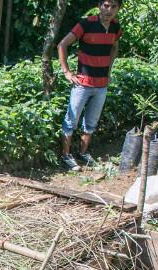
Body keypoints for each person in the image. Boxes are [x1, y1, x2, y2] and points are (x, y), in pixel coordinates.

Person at [57, 0, 123, 171]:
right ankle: (66, 156)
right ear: (100, 6)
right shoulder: (85, 23)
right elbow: (62, 45)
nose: (109, 10)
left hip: (101, 85)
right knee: (71, 121)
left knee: (91, 122)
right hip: (83, 84)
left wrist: (108, 69)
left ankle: (83, 153)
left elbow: (114, 47)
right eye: (106, 6)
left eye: (113, 7)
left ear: (118, 8)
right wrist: (67, 72)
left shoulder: (115, 27)